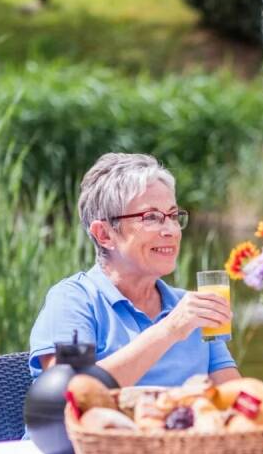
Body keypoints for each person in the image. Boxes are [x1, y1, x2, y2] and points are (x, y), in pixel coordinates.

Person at [29, 153, 240, 387]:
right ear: (104, 234)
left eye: (172, 215)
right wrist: (169, 330)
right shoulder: (73, 300)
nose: (171, 229)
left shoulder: (190, 308)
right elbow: (70, 393)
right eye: (151, 217)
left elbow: (234, 396)